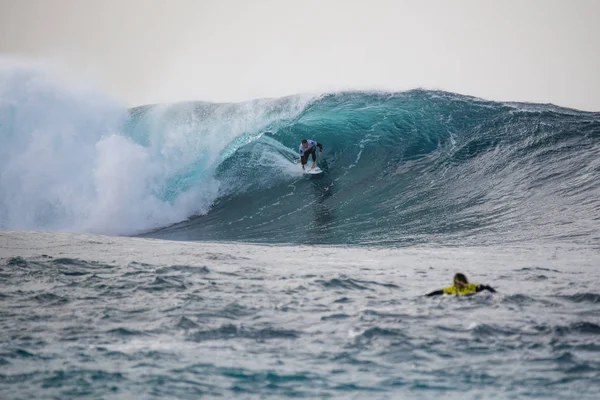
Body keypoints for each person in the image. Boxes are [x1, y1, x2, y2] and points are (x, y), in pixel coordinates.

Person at [426, 273, 496, 296]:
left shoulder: (473, 287)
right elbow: (437, 292)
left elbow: (486, 287)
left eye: (462, 281)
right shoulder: (451, 289)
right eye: (459, 282)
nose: (460, 283)